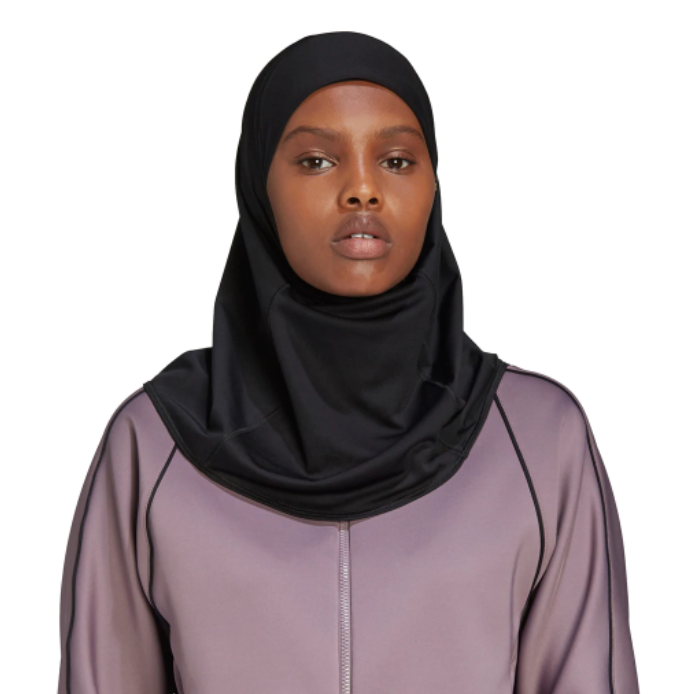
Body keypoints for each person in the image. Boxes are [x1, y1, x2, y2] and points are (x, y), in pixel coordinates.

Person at [56, 31, 640, 694]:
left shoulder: (538, 440)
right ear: (258, 185)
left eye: (396, 160)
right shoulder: (154, 444)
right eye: (315, 161)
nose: (362, 190)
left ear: (433, 185)